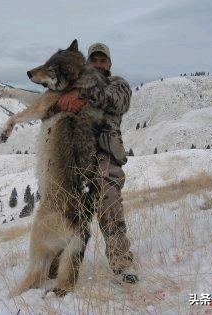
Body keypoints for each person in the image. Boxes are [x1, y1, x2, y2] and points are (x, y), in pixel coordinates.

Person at [56, 43, 138, 284]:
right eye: (95, 60)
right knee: (66, 214)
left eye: (103, 60)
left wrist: (80, 94)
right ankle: (56, 268)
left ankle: (122, 263)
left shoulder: (118, 85)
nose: (99, 64)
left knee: (110, 205)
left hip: (105, 156)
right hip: (76, 159)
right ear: (88, 63)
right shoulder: (76, 85)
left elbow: (115, 101)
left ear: (110, 65)